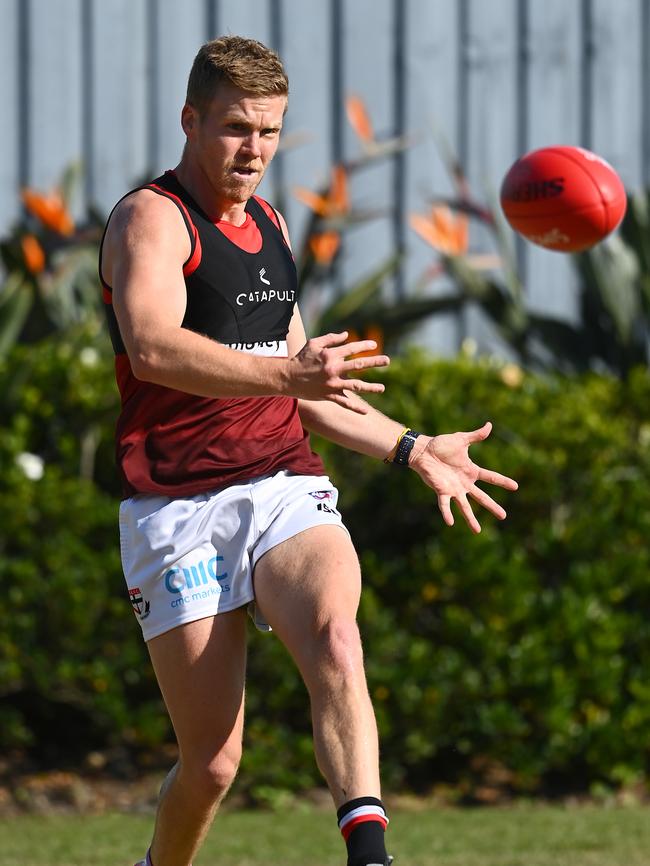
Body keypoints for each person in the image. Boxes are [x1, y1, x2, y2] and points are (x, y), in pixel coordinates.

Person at [99, 35, 518, 866]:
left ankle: (370, 853)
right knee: (213, 765)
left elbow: (307, 395)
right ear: (190, 119)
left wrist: (411, 447)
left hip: (284, 486)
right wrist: (290, 372)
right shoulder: (152, 218)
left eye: (270, 131)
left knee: (335, 635)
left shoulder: (272, 224)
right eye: (235, 128)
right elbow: (150, 346)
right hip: (177, 507)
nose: (253, 150)